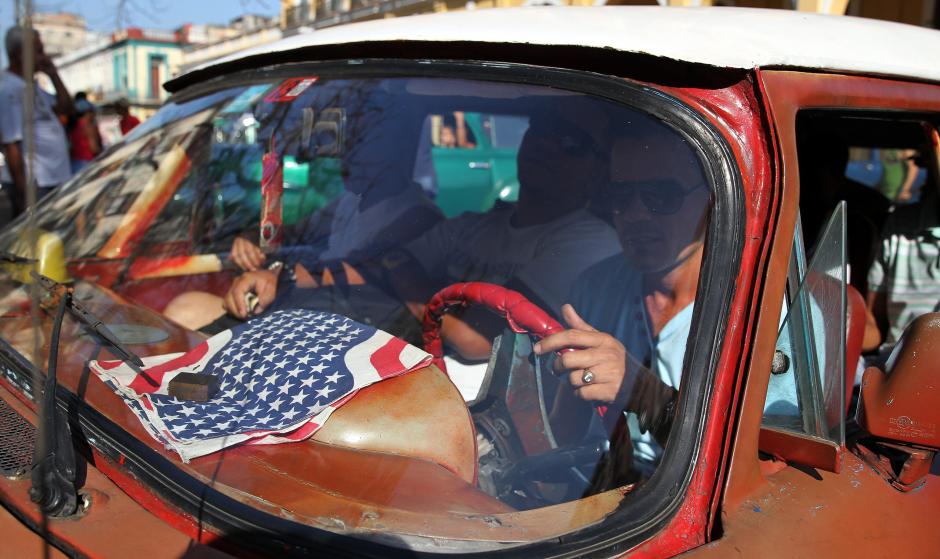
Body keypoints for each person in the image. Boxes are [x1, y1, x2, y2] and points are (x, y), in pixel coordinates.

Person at [219, 106, 622, 357]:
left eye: (572, 143)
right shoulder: (475, 223)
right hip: (413, 367)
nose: (548, 145)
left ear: (599, 171)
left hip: (475, 418)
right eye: (543, 128)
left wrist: (408, 280)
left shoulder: (589, 240)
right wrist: (280, 275)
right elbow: (377, 266)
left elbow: (479, 340)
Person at [534, 125, 710, 483]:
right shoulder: (593, 287)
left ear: (711, 198)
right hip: (594, 491)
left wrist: (642, 390)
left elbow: (759, 468)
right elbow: (560, 438)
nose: (635, 214)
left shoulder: (767, 309)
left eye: (661, 195)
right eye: (619, 196)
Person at [0, 26, 74, 216]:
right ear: (20, 54)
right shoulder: (8, 89)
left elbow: (66, 109)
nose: (43, 56)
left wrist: (53, 75)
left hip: (53, 181)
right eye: (38, 50)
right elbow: (11, 146)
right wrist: (25, 195)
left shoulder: (32, 87)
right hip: (35, 187)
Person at [68, 95, 102, 173]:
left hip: (75, 164)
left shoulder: (73, 126)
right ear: (88, 112)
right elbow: (94, 149)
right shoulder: (88, 127)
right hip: (87, 164)